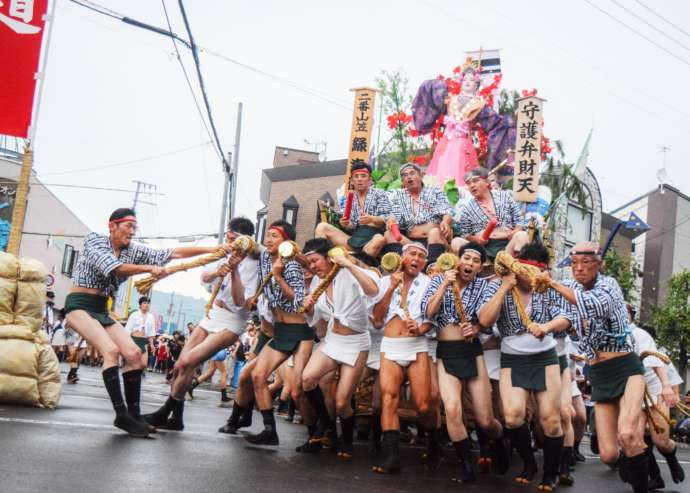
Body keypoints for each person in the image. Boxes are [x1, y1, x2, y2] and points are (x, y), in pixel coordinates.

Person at [64, 207, 226, 438]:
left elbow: (172, 253)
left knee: (136, 356)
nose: (132, 231)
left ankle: (135, 415)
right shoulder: (95, 241)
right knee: (110, 351)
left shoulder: (132, 250)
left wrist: (213, 250)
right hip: (79, 304)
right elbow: (114, 268)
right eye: (128, 226)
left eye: (134, 227)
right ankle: (121, 416)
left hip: (101, 308)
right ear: (113, 226)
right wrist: (149, 268)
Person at [547, 241, 650, 493]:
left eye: (586, 263)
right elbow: (560, 310)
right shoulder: (568, 287)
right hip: (600, 374)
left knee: (627, 433)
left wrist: (552, 283)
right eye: (574, 263)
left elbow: (591, 305)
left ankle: (643, 482)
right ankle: (636, 458)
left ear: (598, 264)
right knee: (607, 455)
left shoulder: (609, 285)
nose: (579, 269)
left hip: (626, 367)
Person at [143, 217, 257, 430]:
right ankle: (176, 417)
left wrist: (233, 271)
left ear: (244, 240)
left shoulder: (254, 263)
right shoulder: (223, 252)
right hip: (213, 312)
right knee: (179, 365)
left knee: (189, 361)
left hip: (232, 320)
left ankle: (165, 412)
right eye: (228, 236)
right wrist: (217, 271)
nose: (228, 240)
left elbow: (241, 301)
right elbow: (205, 277)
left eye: (232, 237)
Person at [478, 243, 572, 491]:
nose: (526, 276)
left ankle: (549, 474)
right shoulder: (500, 286)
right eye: (522, 269)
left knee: (551, 420)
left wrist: (546, 327)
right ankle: (529, 463)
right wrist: (505, 287)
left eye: (532, 271)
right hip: (512, 357)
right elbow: (485, 320)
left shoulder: (547, 288)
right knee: (512, 416)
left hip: (545, 357)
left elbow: (565, 317)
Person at [421, 243, 509, 482]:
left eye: (475, 260)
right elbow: (428, 313)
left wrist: (478, 327)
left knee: (485, 420)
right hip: (446, 351)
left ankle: (500, 441)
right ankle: (466, 468)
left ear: (481, 266)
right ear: (457, 260)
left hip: (472, 352)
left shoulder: (485, 286)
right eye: (466, 258)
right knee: (451, 409)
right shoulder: (439, 280)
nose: (469, 263)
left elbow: (488, 319)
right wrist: (444, 285)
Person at [300, 238, 380, 457]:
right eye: (309, 263)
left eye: (315, 261)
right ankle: (325, 423)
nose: (313, 267)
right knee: (307, 379)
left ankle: (346, 441)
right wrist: (308, 309)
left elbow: (373, 290)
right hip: (333, 340)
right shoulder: (318, 283)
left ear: (330, 257)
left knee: (343, 401)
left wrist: (348, 264)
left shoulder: (349, 273)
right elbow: (316, 318)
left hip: (356, 343)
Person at [243, 220, 311, 446]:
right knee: (257, 376)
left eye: (275, 236)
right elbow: (265, 287)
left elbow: (299, 300)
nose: (269, 239)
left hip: (299, 330)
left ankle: (316, 434)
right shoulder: (264, 258)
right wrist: (256, 299)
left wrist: (279, 276)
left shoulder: (290, 265)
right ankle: (270, 431)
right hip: (280, 329)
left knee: (297, 391)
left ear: (287, 242)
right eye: (268, 235)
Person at [370, 242, 435, 474]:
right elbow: (377, 320)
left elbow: (432, 319)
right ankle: (392, 456)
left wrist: (420, 329)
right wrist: (390, 288)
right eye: (412, 254)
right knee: (389, 398)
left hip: (417, 345)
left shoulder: (429, 284)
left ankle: (434, 440)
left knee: (424, 405)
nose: (416, 259)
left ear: (425, 263)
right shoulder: (385, 281)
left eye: (421, 256)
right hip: (390, 345)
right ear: (402, 257)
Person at [628, 308, 684, 488]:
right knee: (636, 439)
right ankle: (654, 478)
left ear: (631, 316)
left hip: (654, 390)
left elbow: (669, 372)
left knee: (660, 441)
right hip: (633, 391)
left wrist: (671, 392)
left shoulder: (640, 335)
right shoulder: (610, 334)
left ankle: (672, 456)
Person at [315, 162, 391, 259]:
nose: (359, 179)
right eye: (356, 176)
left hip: (373, 238)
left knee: (379, 239)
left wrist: (372, 219)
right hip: (354, 239)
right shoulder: (349, 198)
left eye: (363, 176)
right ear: (351, 181)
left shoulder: (379, 194)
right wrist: (345, 224)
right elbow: (352, 226)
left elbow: (389, 217)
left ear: (370, 180)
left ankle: (358, 261)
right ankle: (321, 259)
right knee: (322, 227)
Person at [385, 163, 454, 268]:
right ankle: (401, 266)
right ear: (402, 182)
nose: (408, 177)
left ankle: (431, 268)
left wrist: (446, 221)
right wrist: (391, 220)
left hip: (434, 239)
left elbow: (447, 211)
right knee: (388, 234)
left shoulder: (434, 191)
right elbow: (395, 217)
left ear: (421, 176)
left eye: (412, 173)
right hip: (411, 243)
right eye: (404, 175)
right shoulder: (398, 196)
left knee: (434, 232)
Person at [454, 167, 527, 260]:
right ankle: (484, 266)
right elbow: (466, 234)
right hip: (484, 251)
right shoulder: (467, 208)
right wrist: (476, 239)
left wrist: (516, 230)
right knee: (456, 242)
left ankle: (516, 268)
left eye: (475, 181)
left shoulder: (504, 196)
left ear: (486, 182)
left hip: (508, 244)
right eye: (468, 183)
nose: (472, 185)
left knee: (522, 235)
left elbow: (519, 220)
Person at [124, 296, 156, 372]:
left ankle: (137, 372)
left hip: (144, 341)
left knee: (144, 363)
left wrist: (152, 345)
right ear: (140, 304)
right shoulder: (134, 315)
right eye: (145, 303)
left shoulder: (151, 317)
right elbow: (128, 329)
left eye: (148, 303)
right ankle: (131, 374)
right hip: (134, 340)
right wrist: (127, 343)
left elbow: (151, 332)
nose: (147, 305)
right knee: (133, 361)